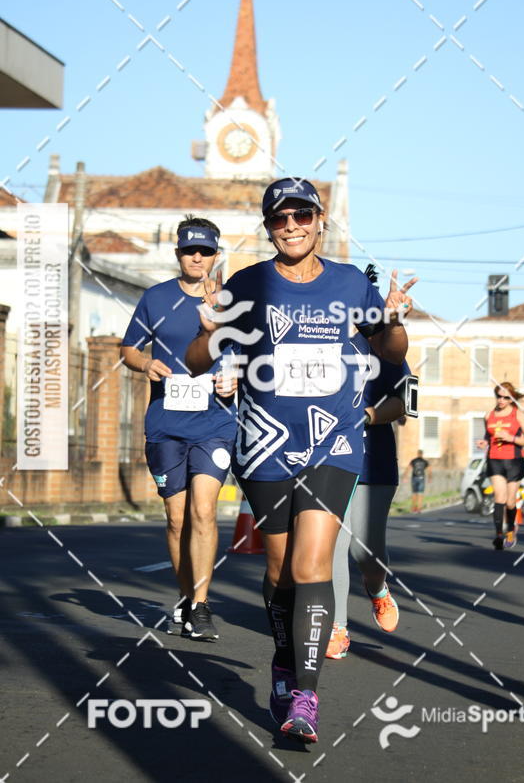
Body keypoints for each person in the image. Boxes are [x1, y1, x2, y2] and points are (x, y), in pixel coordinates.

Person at [186, 177, 415, 743]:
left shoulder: (346, 282)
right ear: (269, 228)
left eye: (301, 216)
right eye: (280, 219)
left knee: (313, 567)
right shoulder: (247, 283)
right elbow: (197, 362)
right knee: (279, 573)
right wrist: (209, 326)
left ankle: (305, 697)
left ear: (319, 222)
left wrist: (392, 320)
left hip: (334, 441)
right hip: (263, 444)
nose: (291, 226)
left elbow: (390, 352)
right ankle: (284, 668)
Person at [120, 215, 237, 642]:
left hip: (215, 420)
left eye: (205, 250)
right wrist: (145, 362)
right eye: (190, 250)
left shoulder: (230, 301)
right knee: (176, 518)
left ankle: (202, 606)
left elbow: (250, 351)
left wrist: (235, 376)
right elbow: (129, 348)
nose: (197, 257)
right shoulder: (155, 297)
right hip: (166, 423)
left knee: (204, 510)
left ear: (215, 254)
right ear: (178, 254)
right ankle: (186, 598)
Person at [327, 342, 412, 661]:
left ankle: (378, 589)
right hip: (327, 459)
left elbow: (405, 402)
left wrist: (365, 415)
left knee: (365, 552)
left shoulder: (385, 346)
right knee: (333, 542)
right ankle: (337, 627)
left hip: (372, 462)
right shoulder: (316, 336)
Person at [476, 382, 524, 550]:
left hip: (514, 460)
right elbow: (487, 436)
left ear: (511, 398)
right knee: (499, 498)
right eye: (499, 396)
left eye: (506, 397)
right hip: (494, 459)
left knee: (510, 501)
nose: (501, 400)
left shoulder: (519, 415)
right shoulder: (489, 415)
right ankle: (499, 534)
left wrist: (511, 438)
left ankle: (511, 530)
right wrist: (483, 442)